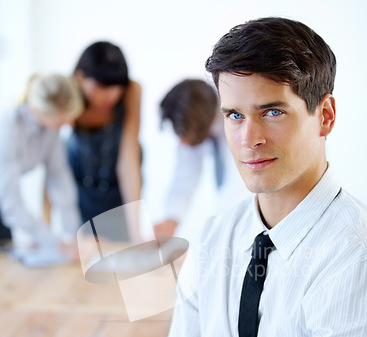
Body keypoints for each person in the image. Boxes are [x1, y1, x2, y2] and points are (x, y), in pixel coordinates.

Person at [111, 16, 367, 337]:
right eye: (234, 115)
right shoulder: (216, 235)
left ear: (326, 116)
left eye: (272, 112)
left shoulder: (355, 258)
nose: (248, 138)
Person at [0, 73, 83, 261]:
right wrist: (52, 241)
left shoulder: (51, 131)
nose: (69, 124)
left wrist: (74, 236)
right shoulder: (6, 127)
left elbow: (60, 179)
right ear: (36, 111)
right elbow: (11, 203)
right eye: (62, 120)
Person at [66, 41, 142, 241]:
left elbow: (128, 163)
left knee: (124, 247)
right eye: (102, 86)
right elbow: (53, 164)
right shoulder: (67, 92)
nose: (113, 94)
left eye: (119, 87)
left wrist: (138, 235)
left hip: (118, 188)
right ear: (80, 78)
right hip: (81, 185)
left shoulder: (132, 91)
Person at [154, 79, 249, 239]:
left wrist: (213, 235)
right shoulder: (194, 121)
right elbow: (185, 176)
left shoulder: (238, 125)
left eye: (183, 135)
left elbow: (237, 190)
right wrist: (172, 217)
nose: (182, 143)